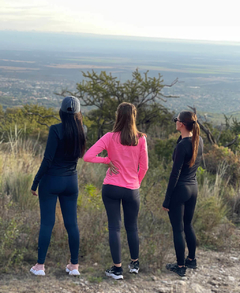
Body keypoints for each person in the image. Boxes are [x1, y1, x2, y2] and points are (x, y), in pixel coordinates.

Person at [83, 102, 148, 280]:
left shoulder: (110, 137)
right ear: (134, 116)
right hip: (132, 188)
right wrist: (136, 182)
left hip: (111, 186)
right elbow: (145, 167)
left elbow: (87, 156)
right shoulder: (141, 138)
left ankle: (117, 269)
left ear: (118, 116)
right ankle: (134, 264)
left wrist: (107, 161)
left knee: (114, 227)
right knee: (132, 227)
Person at [30, 96, 86, 276]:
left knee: (47, 223)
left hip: (51, 181)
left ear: (61, 112)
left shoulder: (55, 130)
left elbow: (48, 160)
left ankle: (39, 267)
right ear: (78, 113)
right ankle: (74, 266)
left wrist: (35, 182)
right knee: (72, 224)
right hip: (71, 181)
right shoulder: (83, 130)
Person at [162, 111, 203, 277]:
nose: (175, 122)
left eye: (176, 120)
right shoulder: (198, 141)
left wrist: (167, 200)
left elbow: (174, 174)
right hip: (193, 188)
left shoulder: (182, 146)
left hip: (180, 189)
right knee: (188, 225)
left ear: (182, 124)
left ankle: (180, 266)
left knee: (178, 229)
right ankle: (191, 260)